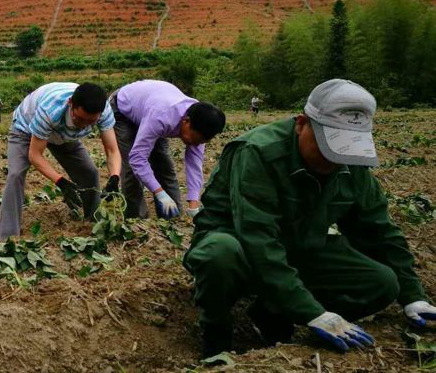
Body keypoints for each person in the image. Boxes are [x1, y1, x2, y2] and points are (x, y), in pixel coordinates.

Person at [184, 79, 436, 358]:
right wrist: (312, 312)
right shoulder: (258, 152)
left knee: (382, 283)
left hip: (299, 245)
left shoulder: (350, 164)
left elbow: (379, 231)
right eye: (327, 146)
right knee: (218, 253)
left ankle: (272, 312)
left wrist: (414, 296)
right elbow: (258, 238)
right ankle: (216, 339)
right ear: (301, 124)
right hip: (241, 247)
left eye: (345, 150)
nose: (334, 160)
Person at [0, 82, 122, 240]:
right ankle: (7, 236)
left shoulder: (103, 112)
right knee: (15, 175)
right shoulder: (50, 110)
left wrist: (114, 178)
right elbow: (35, 155)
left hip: (63, 135)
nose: (83, 126)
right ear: (71, 104)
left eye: (90, 122)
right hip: (26, 128)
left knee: (89, 173)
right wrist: (60, 182)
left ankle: (92, 222)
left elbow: (112, 150)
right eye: (80, 120)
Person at [109, 80, 225, 220]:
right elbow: (137, 159)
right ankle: (136, 220)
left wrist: (193, 205)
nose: (195, 144)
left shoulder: (201, 124)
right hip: (123, 110)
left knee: (164, 166)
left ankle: (172, 218)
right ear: (186, 121)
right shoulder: (162, 117)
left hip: (150, 110)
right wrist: (159, 193)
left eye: (200, 142)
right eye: (194, 139)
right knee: (132, 171)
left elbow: (194, 165)